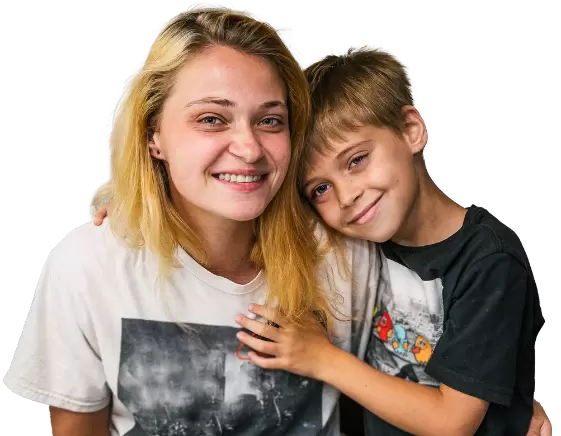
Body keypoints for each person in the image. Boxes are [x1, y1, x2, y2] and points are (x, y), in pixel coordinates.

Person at [3, 4, 379, 435]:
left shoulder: (345, 251)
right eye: (211, 119)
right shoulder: (87, 265)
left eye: (270, 120)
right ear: (154, 136)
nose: (250, 148)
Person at [233, 43, 549, 435]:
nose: (346, 196)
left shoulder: (489, 261)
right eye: (320, 189)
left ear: (411, 130)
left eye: (357, 160)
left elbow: (451, 423)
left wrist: (320, 358)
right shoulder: (361, 247)